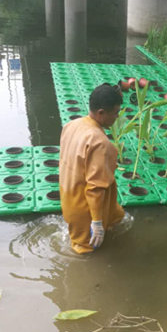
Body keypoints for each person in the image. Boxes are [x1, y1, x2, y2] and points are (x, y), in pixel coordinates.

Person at [59, 83, 126, 254]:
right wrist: (96, 222)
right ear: (101, 113)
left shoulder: (72, 125)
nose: (117, 117)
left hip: (69, 197)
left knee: (117, 217)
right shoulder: (100, 143)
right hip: (85, 210)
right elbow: (95, 188)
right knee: (86, 251)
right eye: (116, 113)